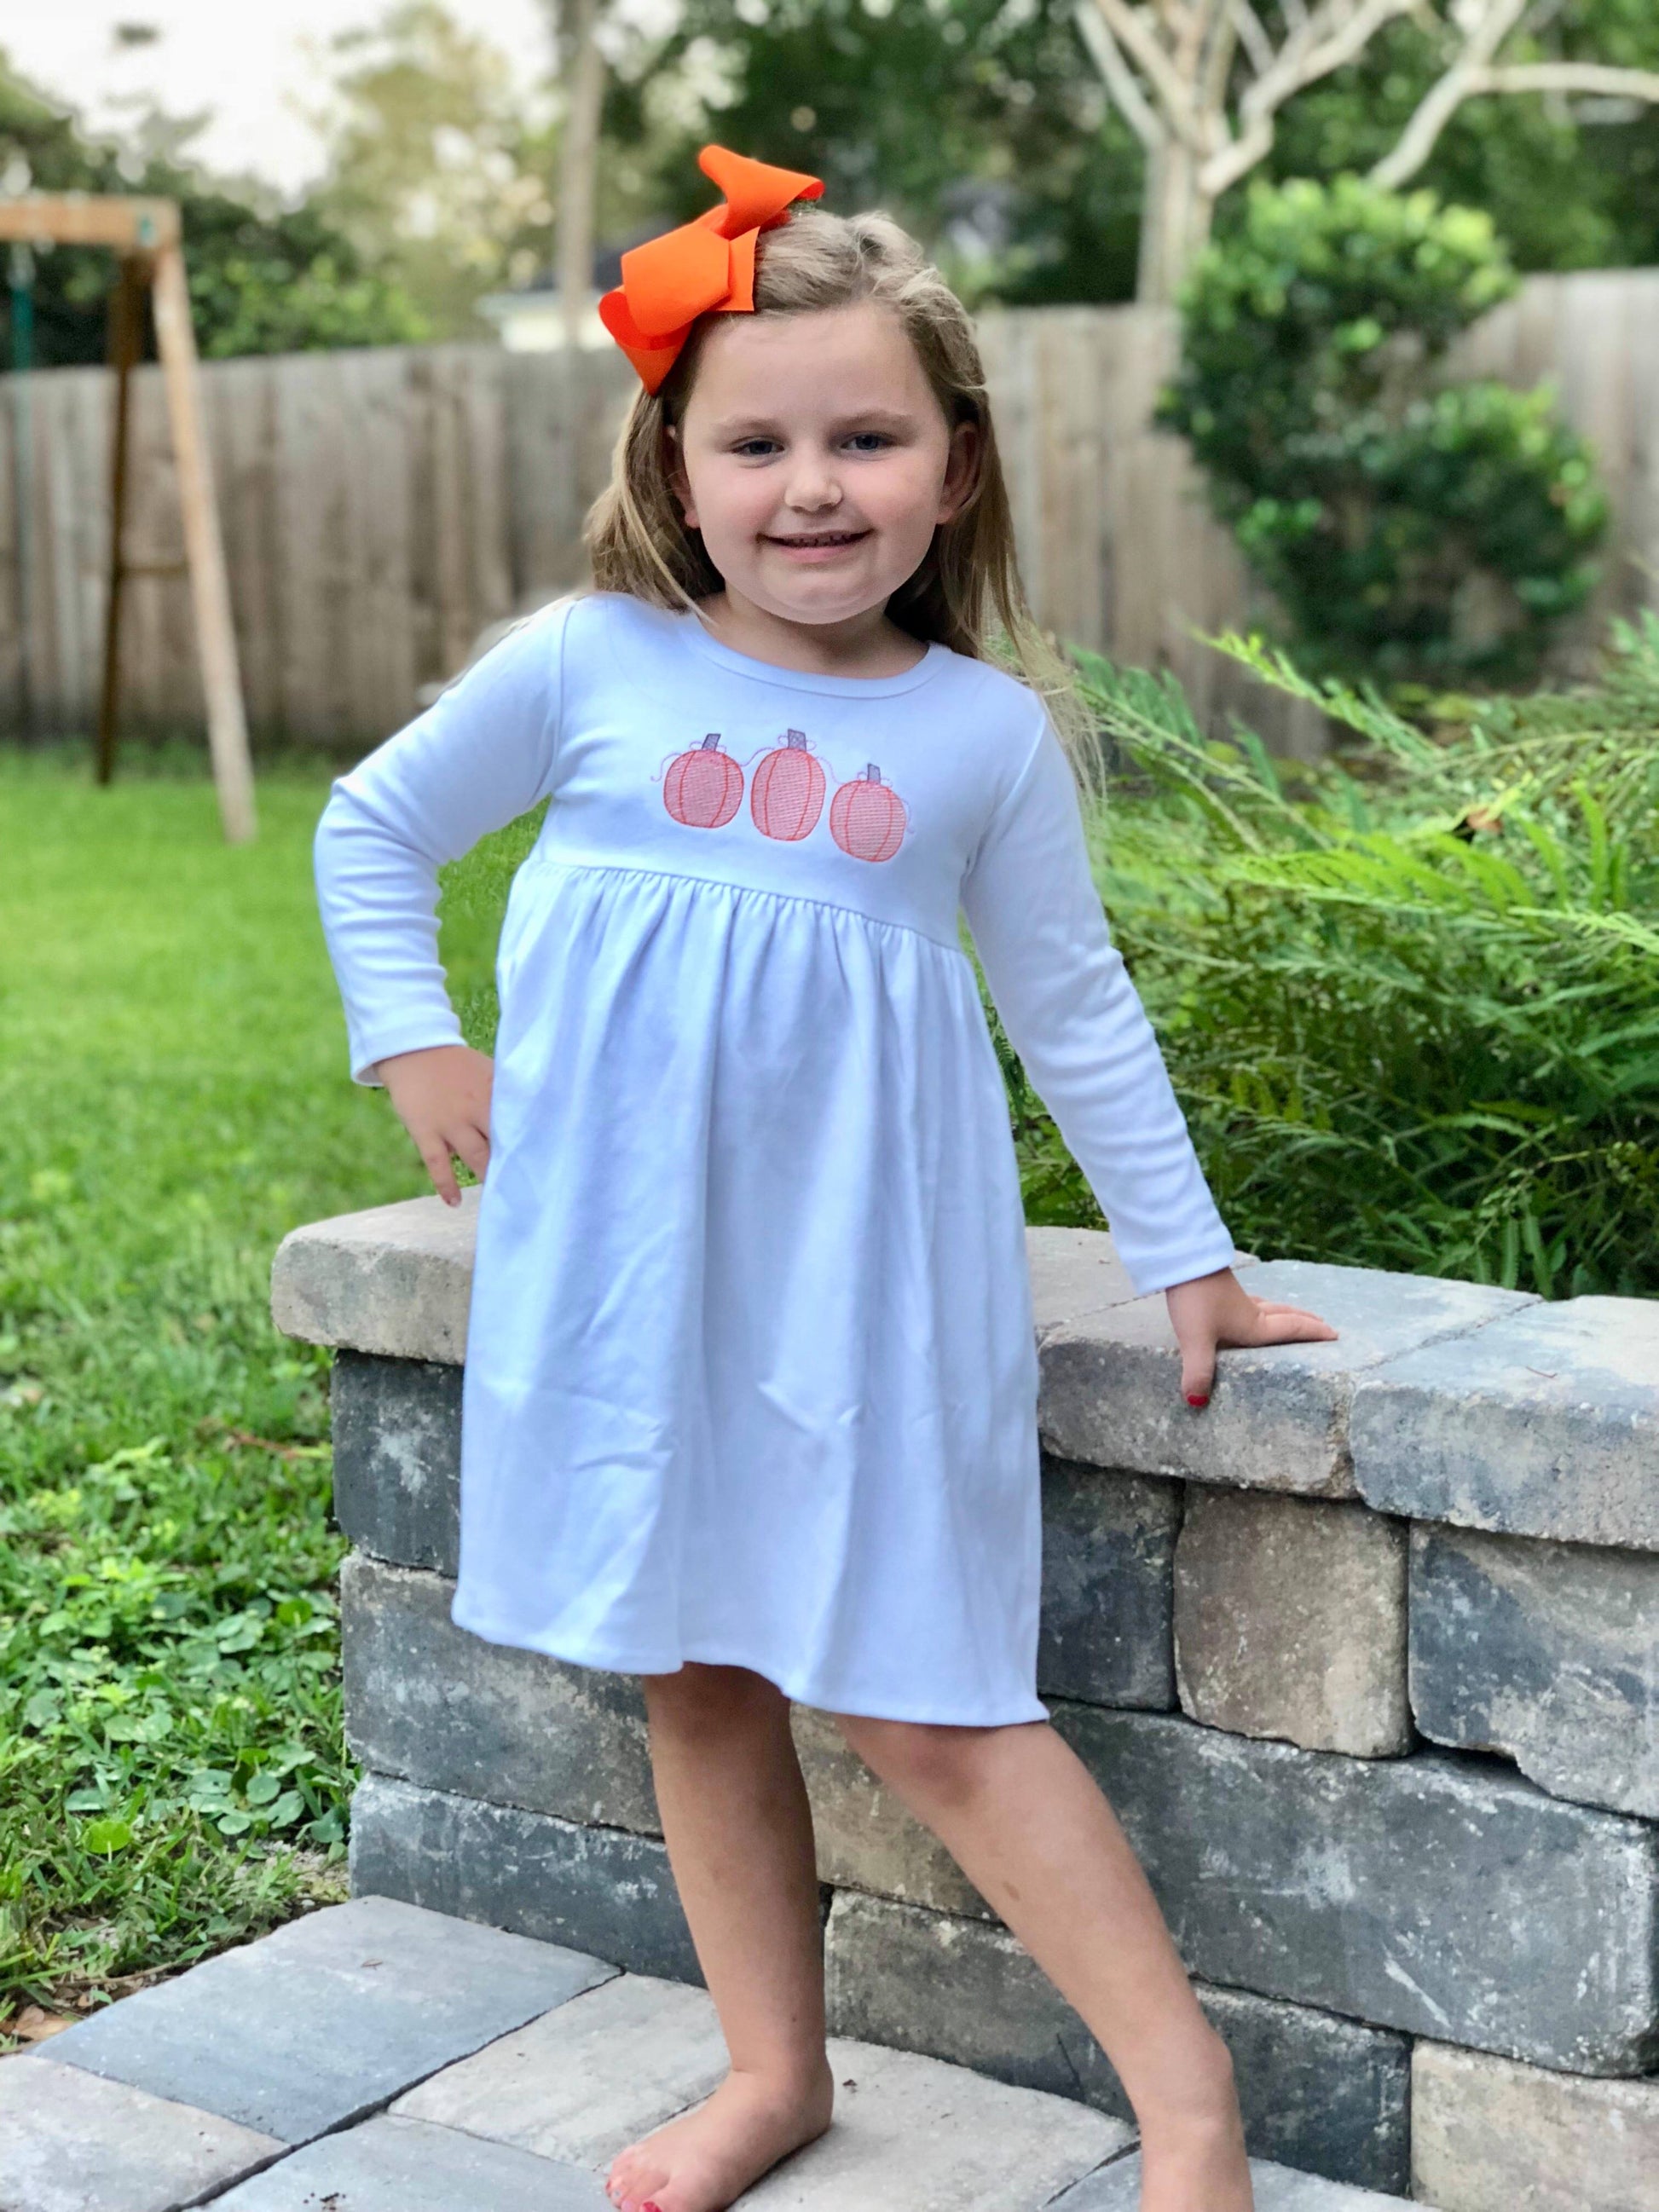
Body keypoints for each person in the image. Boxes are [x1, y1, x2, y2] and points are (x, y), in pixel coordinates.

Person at [312, 146, 1337, 2212]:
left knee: (925, 1695)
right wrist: (411, 1034)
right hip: (630, 1284)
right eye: (756, 442)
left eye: (864, 439)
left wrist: (1188, 1257)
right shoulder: (589, 665)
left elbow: (1074, 1008)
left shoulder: (979, 735)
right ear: (674, 467)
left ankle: (1189, 2106)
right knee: (694, 1672)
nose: (810, 486)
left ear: (954, 468)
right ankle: (772, 2070)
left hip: (862, 1298)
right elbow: (373, 825)